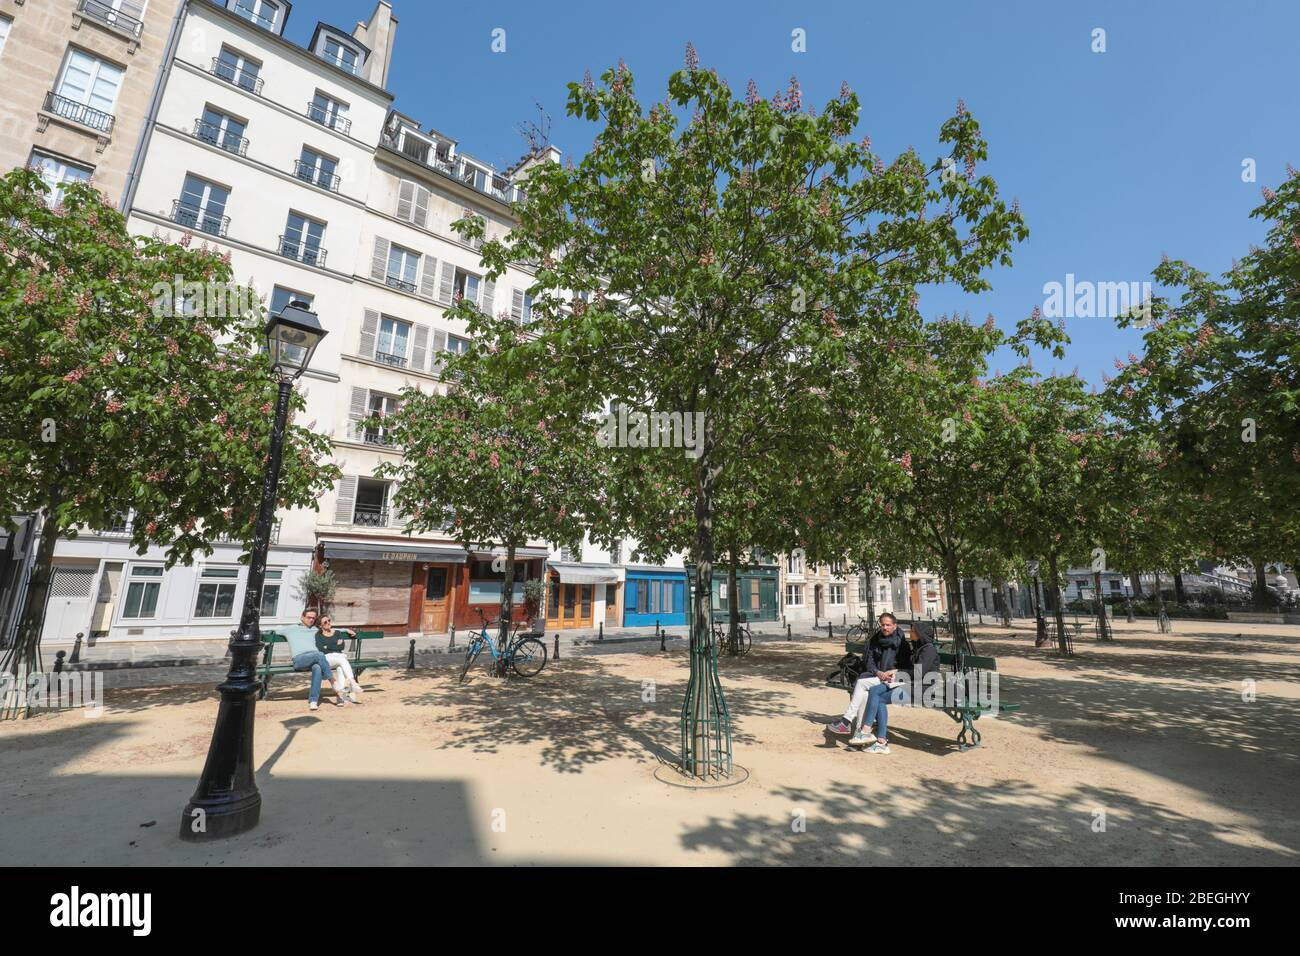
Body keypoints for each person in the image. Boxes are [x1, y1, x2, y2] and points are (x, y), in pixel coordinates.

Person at [850, 619, 942, 753]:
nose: (910, 632)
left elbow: (918, 673)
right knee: (875, 691)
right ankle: (879, 740)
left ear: (919, 633)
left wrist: (897, 672)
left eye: (912, 630)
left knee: (878, 696)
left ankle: (868, 732)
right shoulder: (919, 647)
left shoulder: (929, 650)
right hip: (910, 684)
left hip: (922, 689)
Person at [826, 612, 906, 737]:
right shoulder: (875, 640)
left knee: (861, 684)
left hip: (893, 680)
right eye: (882, 625)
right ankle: (860, 733)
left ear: (895, 626)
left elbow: (905, 666)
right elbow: (869, 661)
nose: (885, 628)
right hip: (876, 676)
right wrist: (877, 672)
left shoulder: (901, 643)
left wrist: (893, 672)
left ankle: (847, 721)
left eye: (888, 625)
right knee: (864, 695)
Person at [283, 608, 348, 710]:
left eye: (313, 618)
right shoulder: (291, 629)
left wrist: (347, 630)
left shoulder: (315, 630)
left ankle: (313, 701)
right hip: (299, 660)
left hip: (315, 659)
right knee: (320, 655)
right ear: (302, 617)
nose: (311, 620)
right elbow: (273, 630)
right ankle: (333, 682)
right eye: (309, 617)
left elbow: (331, 629)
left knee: (317, 668)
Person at [316, 614, 363, 703]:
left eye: (329, 620)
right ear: (320, 626)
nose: (328, 623)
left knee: (341, 668)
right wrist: (335, 646)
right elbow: (321, 649)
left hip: (338, 656)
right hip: (327, 659)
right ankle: (353, 682)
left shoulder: (337, 632)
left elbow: (341, 646)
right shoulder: (318, 635)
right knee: (342, 659)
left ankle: (340, 698)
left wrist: (328, 646)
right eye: (325, 622)